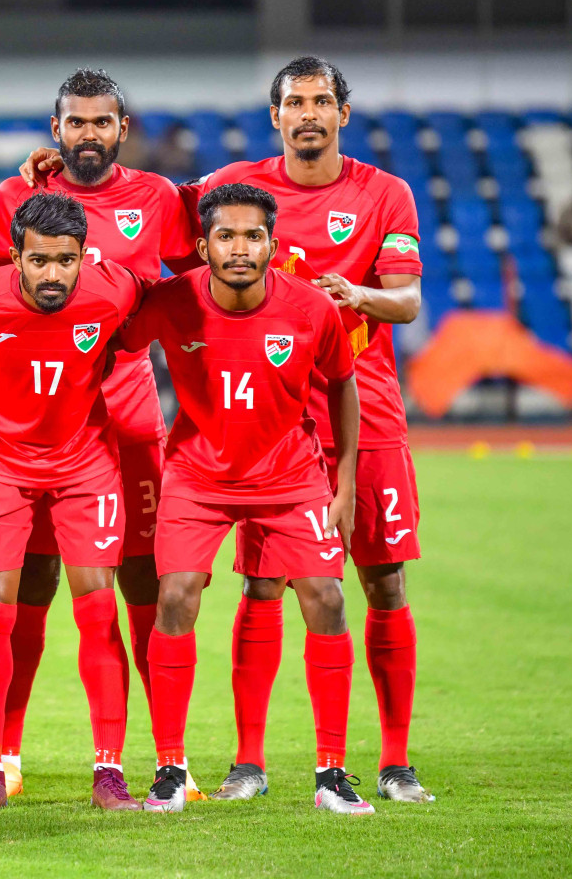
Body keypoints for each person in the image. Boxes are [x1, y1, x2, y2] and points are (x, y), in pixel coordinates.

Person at [182, 58, 431, 804]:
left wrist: (353, 295)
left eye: (322, 101)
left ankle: (394, 762)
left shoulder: (384, 194)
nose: (309, 113)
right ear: (276, 116)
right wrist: (52, 177)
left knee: (382, 581)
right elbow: (152, 222)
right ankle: (248, 763)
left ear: (343, 114)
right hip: (272, 418)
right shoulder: (237, 186)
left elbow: (410, 300)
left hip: (368, 407)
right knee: (263, 582)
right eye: (295, 102)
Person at [119, 183, 373, 816]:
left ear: (273, 244)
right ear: (202, 246)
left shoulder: (312, 309)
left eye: (252, 236)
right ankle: (171, 769)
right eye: (225, 236)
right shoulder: (172, 302)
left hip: (289, 475)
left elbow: (343, 386)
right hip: (197, 475)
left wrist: (343, 485)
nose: (239, 248)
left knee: (327, 597)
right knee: (174, 593)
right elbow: (108, 340)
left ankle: (332, 774)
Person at [0, 69, 199, 798]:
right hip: (33, 419)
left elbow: (194, 293)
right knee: (30, 580)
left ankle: (168, 756)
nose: (88, 135)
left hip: (126, 409)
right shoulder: (16, 200)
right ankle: (3, 753)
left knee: (141, 576)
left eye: (101, 122)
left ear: (122, 128)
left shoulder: (159, 200)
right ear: (55, 130)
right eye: (75, 122)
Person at [0, 192, 145, 811]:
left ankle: (109, 774)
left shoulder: (114, 291)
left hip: (84, 461)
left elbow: (175, 305)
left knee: (97, 613)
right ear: (15, 257)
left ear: (86, 257)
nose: (53, 274)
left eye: (66, 261)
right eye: (39, 261)